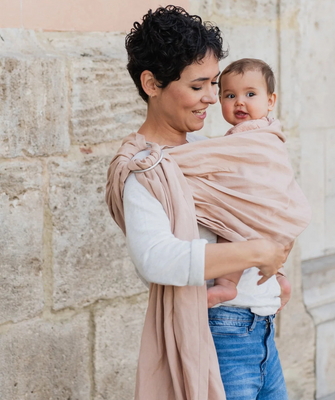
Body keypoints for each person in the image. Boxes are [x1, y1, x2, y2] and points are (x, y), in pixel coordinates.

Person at [105, 6, 300, 400]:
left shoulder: (206, 149)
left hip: (262, 332)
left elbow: (252, 209)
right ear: (151, 83)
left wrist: (275, 262)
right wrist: (258, 250)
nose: (213, 98)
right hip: (219, 338)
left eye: (214, 83)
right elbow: (157, 258)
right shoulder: (144, 169)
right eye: (198, 86)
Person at [207, 58, 305, 309]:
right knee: (274, 247)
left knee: (230, 231)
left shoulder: (248, 133)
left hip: (255, 203)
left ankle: (227, 285)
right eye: (229, 95)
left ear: (270, 101)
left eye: (250, 93)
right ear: (220, 102)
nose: (239, 101)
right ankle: (280, 277)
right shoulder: (271, 131)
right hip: (274, 208)